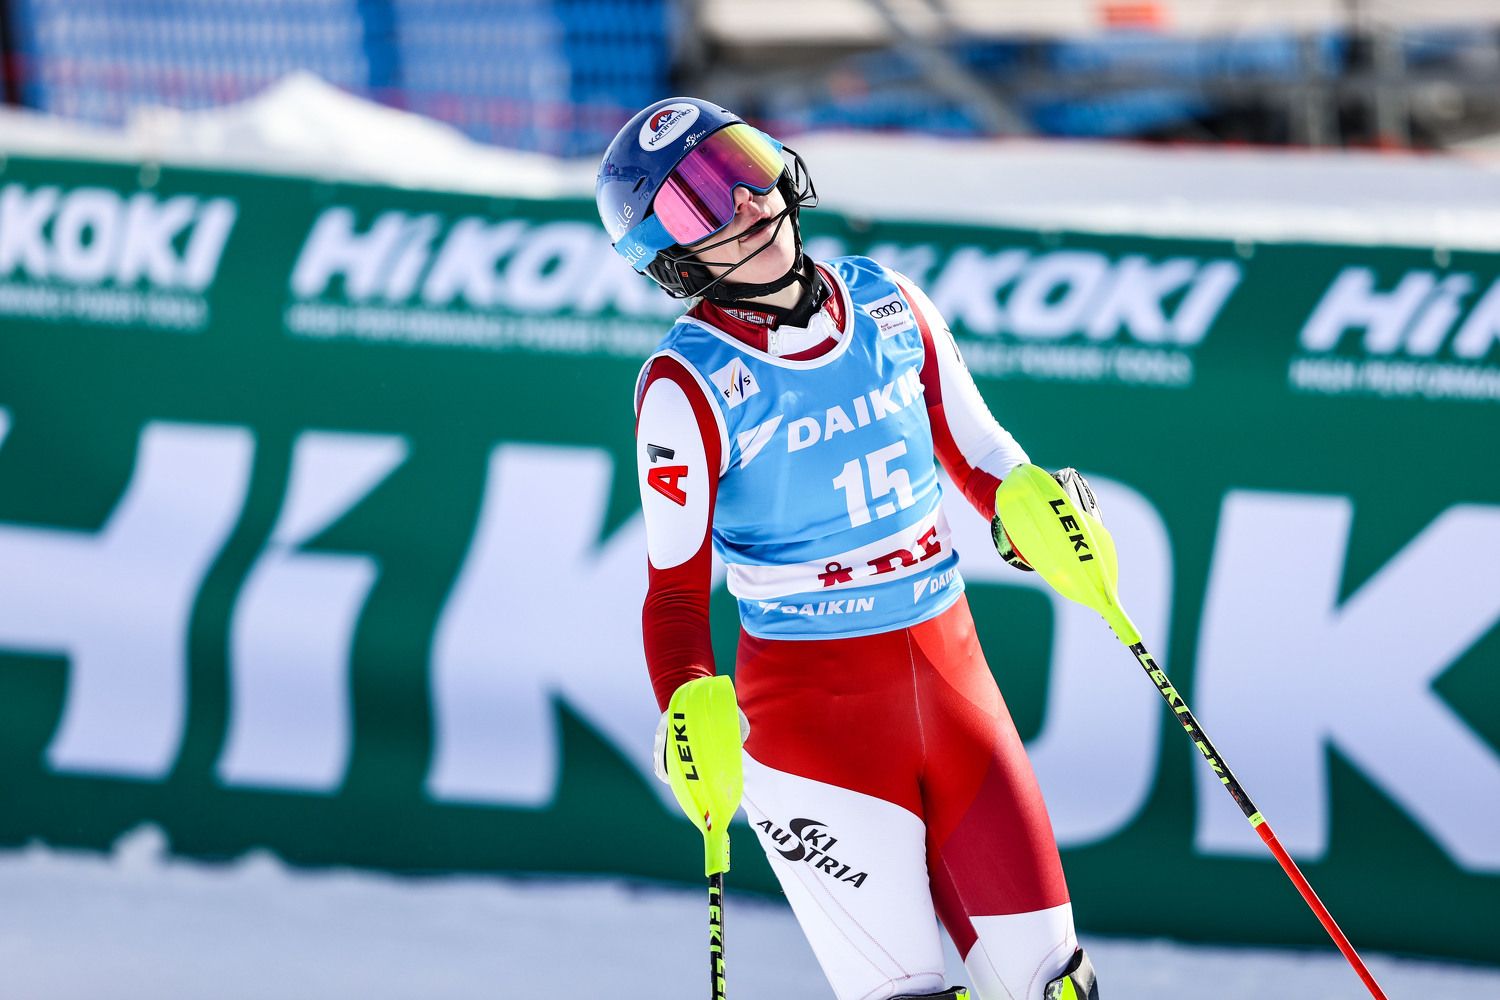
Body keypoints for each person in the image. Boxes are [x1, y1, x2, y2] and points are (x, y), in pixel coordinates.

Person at [596, 97, 1102, 1000]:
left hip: (957, 689)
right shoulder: (688, 385)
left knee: (1057, 987)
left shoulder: (889, 301)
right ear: (670, 259)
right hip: (810, 727)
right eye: (696, 205)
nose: (743, 202)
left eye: (740, 165)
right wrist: (687, 705)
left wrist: (1031, 512)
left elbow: (982, 454)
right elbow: (673, 595)